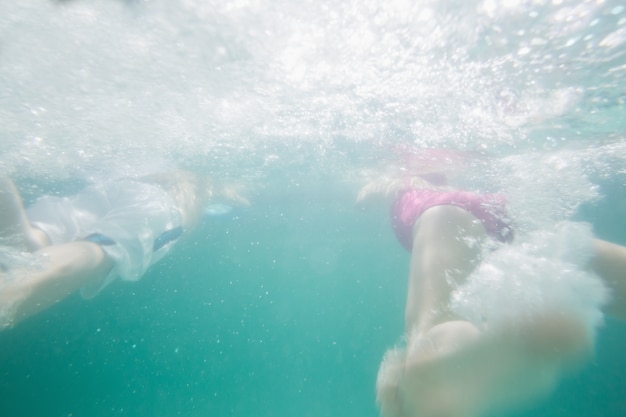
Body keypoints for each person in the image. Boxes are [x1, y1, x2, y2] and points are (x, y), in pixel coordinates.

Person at [357, 150, 626, 417]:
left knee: (432, 327)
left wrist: (369, 193)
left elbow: (372, 190)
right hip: (501, 214)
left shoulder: (404, 183)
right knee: (576, 256)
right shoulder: (457, 177)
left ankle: (445, 374)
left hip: (443, 213)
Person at [0, 171, 247, 330]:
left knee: (44, 236)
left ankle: (30, 238)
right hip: (155, 203)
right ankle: (10, 291)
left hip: (113, 187)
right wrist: (235, 194)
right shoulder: (200, 180)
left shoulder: (156, 168)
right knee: (101, 251)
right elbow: (220, 189)